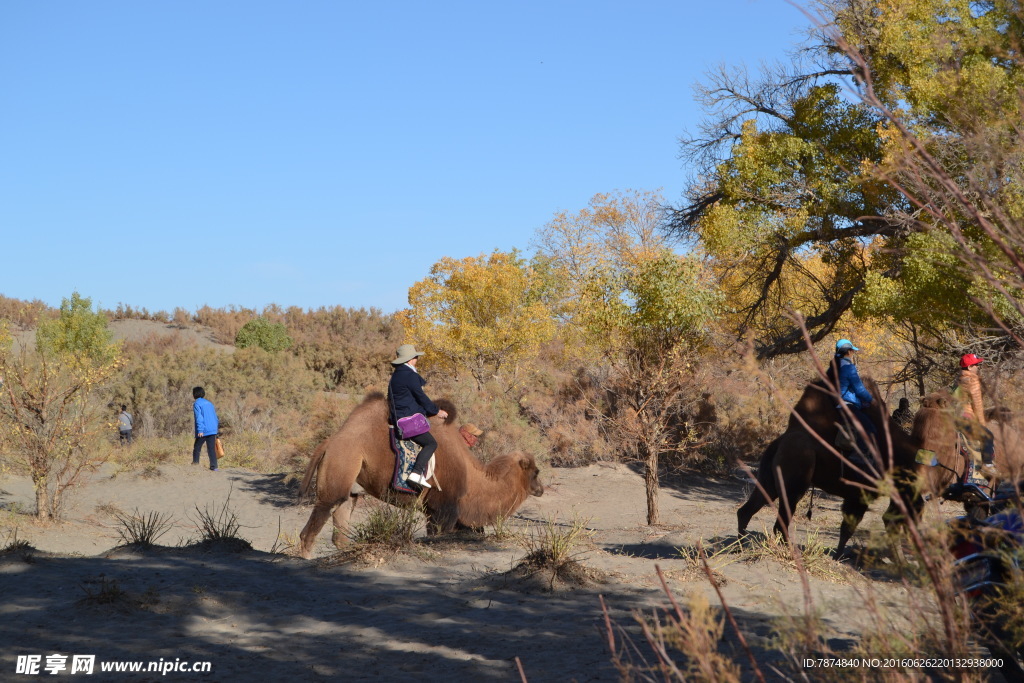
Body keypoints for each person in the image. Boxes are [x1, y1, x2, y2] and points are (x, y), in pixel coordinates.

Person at [387, 344, 448, 489]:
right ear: (409, 360)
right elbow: (421, 396)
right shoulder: (410, 375)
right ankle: (416, 473)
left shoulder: (396, 375)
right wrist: (436, 411)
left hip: (398, 416)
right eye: (415, 357)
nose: (417, 359)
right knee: (431, 443)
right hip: (407, 419)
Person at [831, 339, 877, 451]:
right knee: (870, 430)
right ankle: (860, 457)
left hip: (834, 404)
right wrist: (871, 400)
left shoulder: (835, 367)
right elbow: (859, 389)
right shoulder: (848, 367)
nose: (853, 353)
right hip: (847, 405)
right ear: (848, 352)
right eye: (852, 350)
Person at [953, 353, 996, 474]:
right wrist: (982, 424)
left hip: (953, 419)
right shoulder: (973, 380)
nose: (978, 367)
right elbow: (977, 405)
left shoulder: (958, 379)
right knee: (988, 436)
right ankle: (987, 465)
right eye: (976, 365)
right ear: (970, 367)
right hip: (965, 419)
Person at [192, 386, 220, 471]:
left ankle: (195, 464)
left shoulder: (197, 403)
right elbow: (215, 417)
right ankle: (214, 467)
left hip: (203, 430)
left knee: (197, 447)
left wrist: (200, 430)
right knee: (211, 448)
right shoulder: (209, 403)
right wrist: (216, 428)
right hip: (212, 429)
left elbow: (199, 417)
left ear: (194, 394)